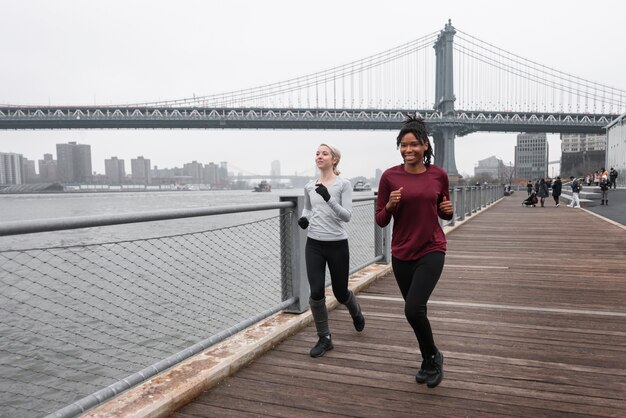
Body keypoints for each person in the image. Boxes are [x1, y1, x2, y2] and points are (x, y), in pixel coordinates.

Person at [375, 115, 453, 389]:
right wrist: (391, 207)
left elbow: (445, 209)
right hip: (401, 253)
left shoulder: (439, 175)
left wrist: (450, 211)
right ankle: (427, 359)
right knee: (416, 312)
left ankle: (434, 355)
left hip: (432, 248)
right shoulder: (389, 177)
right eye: (403, 146)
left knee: (413, 308)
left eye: (414, 145)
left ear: (425, 146)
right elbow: (381, 219)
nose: (408, 150)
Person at [297, 143, 364, 358]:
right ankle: (324, 338)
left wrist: (328, 197)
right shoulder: (309, 185)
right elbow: (308, 207)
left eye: (324, 153)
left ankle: (355, 311)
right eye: (317, 153)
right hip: (314, 244)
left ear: (334, 159)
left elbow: (346, 216)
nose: (319, 156)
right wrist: (304, 219)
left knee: (340, 292)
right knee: (316, 292)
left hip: (337, 244)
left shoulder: (343, 184)